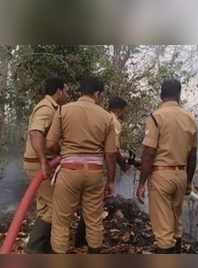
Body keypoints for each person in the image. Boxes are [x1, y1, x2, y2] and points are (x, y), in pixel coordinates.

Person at [46, 76, 117, 254]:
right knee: (94, 220)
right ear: (97, 93)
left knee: (61, 221)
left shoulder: (63, 111)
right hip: (94, 173)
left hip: (70, 171)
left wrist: (62, 152)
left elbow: (50, 143)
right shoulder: (107, 117)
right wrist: (111, 181)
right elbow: (110, 154)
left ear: (81, 91)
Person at [136, 79, 198, 253]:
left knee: (163, 230)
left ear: (161, 94)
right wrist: (188, 182)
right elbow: (193, 155)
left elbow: (149, 152)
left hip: (161, 175)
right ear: (179, 95)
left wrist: (141, 183)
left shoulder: (156, 117)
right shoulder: (190, 118)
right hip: (181, 174)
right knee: (175, 221)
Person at [74, 96, 129, 248]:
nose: (124, 113)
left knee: (88, 204)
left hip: (87, 165)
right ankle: (85, 241)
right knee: (94, 206)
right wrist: (123, 165)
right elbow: (113, 150)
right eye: (124, 110)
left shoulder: (101, 118)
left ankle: (80, 238)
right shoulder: (113, 122)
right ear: (119, 109)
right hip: (100, 169)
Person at [23, 75, 68, 253]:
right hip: (38, 165)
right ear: (59, 91)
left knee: (45, 208)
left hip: (40, 163)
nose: (67, 94)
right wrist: (43, 162)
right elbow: (35, 133)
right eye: (66, 90)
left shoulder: (53, 108)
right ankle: (34, 248)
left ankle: (43, 249)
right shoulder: (46, 108)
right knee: (55, 208)